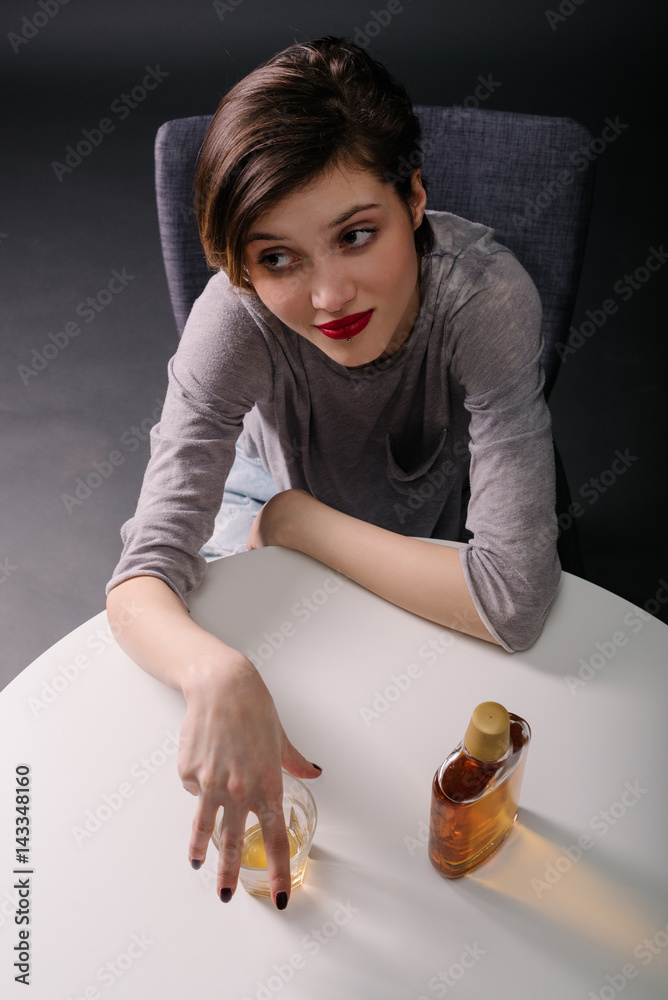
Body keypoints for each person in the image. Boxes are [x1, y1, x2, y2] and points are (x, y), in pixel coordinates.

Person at [105, 35, 560, 910]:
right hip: (261, 491)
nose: (328, 298)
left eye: (357, 236)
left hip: (419, 501)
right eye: (278, 258)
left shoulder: (487, 298)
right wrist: (215, 671)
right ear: (242, 264)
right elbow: (140, 578)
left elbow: (514, 600)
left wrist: (297, 519)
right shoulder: (234, 316)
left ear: (415, 198)